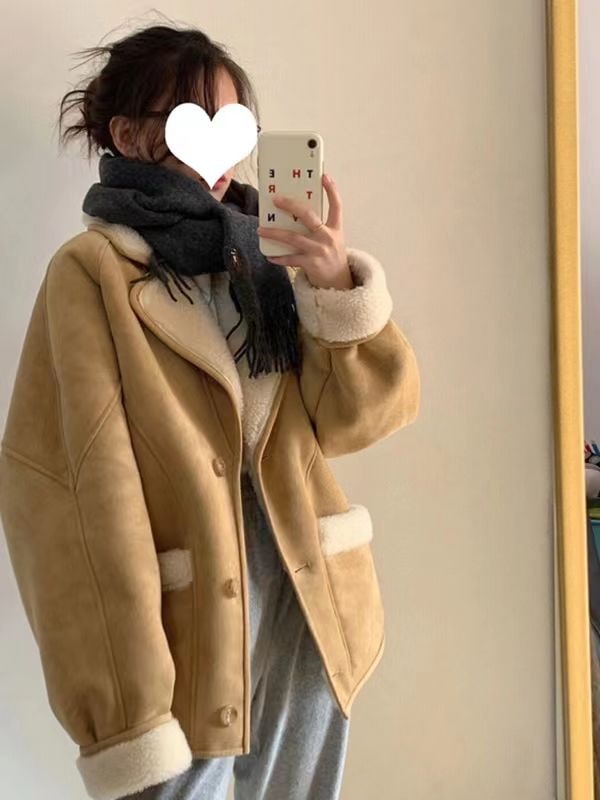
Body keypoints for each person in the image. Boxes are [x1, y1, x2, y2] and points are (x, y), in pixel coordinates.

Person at [0, 20, 421, 800]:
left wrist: (333, 289)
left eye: (236, 126)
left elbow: (358, 421)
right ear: (128, 134)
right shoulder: (94, 275)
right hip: (186, 629)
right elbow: (72, 498)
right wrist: (126, 708)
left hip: (305, 605)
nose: (224, 151)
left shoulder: (264, 261)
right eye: (196, 122)